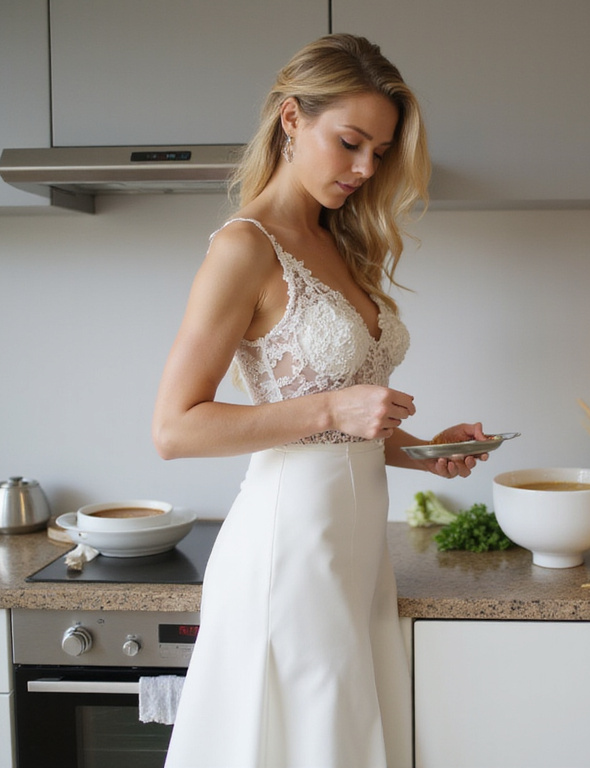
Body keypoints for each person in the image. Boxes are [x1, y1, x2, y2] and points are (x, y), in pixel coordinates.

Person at [152, 34, 489, 768]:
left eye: (380, 152)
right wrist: (336, 410)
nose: (366, 168)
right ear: (291, 119)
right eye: (350, 142)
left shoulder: (340, 242)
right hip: (289, 552)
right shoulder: (244, 248)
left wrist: (425, 452)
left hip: (357, 556)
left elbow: (341, 429)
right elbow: (175, 429)